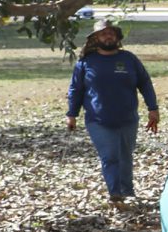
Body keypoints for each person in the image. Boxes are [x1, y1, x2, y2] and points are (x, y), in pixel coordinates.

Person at [66, 19, 160, 207]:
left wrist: (153, 108)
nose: (108, 36)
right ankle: (115, 193)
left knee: (125, 156)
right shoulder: (86, 62)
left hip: (128, 118)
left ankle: (127, 191)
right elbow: (75, 89)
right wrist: (72, 114)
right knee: (109, 156)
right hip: (98, 120)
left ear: (116, 36)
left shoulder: (129, 59)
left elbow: (145, 83)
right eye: (103, 33)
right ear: (95, 38)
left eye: (111, 33)